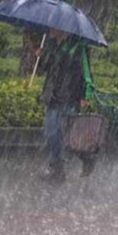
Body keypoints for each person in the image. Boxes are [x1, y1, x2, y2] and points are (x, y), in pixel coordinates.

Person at [35, 27, 96, 183]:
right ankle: (57, 169)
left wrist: (85, 95)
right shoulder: (51, 45)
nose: (49, 30)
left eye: (53, 27)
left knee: (69, 139)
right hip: (52, 96)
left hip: (70, 96)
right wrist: (41, 56)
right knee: (51, 134)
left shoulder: (79, 46)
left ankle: (87, 156)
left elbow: (86, 72)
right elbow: (46, 69)